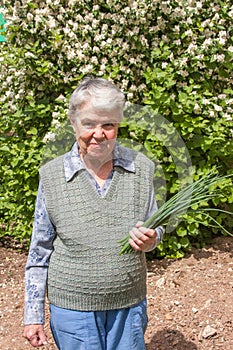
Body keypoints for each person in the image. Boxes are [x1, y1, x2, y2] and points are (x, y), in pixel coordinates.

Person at [23, 77, 164, 350]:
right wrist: (33, 315)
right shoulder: (53, 176)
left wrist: (151, 239)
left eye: (108, 125)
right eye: (89, 124)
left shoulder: (142, 168)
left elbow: (155, 227)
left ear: (118, 125)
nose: (98, 134)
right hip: (72, 310)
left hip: (128, 307)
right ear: (74, 123)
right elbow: (39, 252)